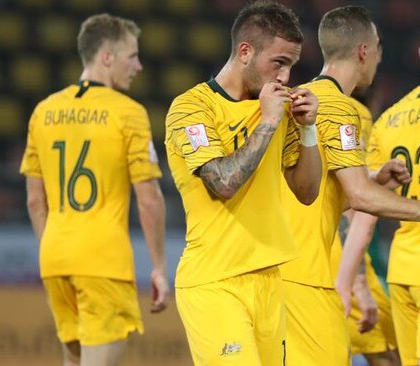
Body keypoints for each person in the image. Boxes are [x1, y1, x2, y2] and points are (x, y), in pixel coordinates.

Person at [278, 6, 420, 366]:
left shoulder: (300, 100)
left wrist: (374, 178)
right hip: (308, 280)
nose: (379, 59)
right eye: (377, 48)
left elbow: (318, 190)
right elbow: (361, 198)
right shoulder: (340, 108)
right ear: (364, 51)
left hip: (278, 274)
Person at [164, 1, 322, 365]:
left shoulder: (277, 109)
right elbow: (221, 183)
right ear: (245, 52)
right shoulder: (192, 108)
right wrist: (267, 122)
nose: (284, 77)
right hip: (215, 281)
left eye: (291, 66)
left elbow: (308, 191)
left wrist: (308, 128)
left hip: (268, 279)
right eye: (278, 63)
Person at [20, 13, 169, 366]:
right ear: (107, 57)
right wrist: (160, 266)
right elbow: (148, 199)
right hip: (103, 262)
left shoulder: (43, 111)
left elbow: (34, 199)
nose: (139, 66)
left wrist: (52, 251)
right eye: (132, 55)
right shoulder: (128, 113)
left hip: (55, 259)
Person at [329, 96, 400, 366]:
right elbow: (351, 199)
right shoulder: (356, 116)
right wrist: (360, 286)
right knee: (389, 354)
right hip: (341, 260)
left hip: (306, 259)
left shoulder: (309, 104)